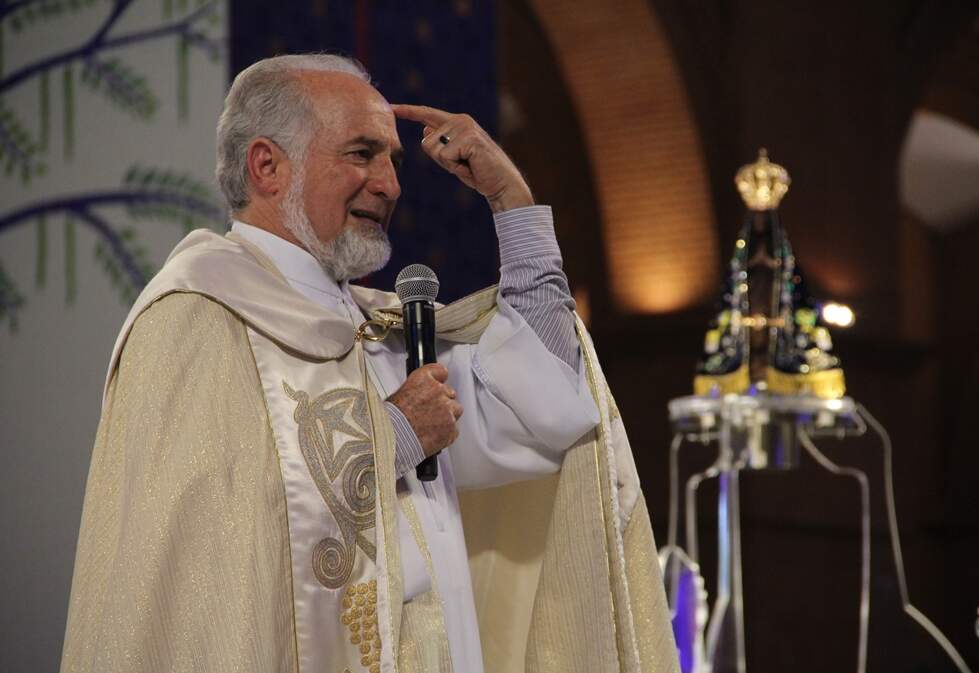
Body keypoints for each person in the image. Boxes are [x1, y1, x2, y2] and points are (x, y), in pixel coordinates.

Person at [60, 54, 677, 673]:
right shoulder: (196, 315)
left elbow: (542, 410)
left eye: (394, 162)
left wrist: (511, 203)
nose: (390, 186)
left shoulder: (383, 326)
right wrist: (395, 435)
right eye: (361, 154)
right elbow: (204, 551)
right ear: (267, 166)